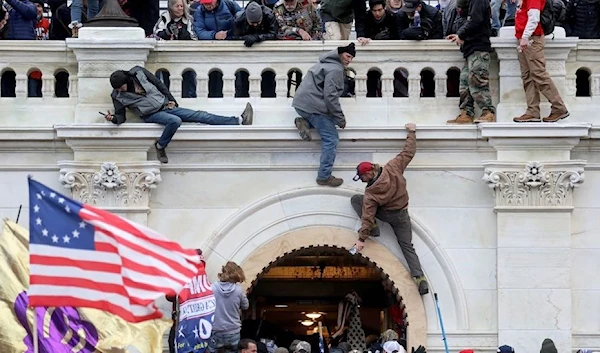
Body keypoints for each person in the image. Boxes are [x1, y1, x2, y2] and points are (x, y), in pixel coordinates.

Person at [105, 66, 253, 164]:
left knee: (200, 115)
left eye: (121, 87)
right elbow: (121, 117)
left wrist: (172, 100)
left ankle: (238, 120)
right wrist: (113, 119)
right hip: (151, 115)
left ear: (126, 81)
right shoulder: (118, 95)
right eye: (117, 89)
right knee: (174, 121)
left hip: (166, 106)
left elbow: (158, 84)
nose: (120, 90)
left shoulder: (139, 72)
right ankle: (161, 146)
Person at [350, 123, 429, 296]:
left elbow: (367, 216)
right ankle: (419, 277)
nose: (362, 180)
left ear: (369, 173)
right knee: (407, 246)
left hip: (386, 214)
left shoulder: (370, 193)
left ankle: (374, 230)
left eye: (362, 177)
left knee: (356, 200)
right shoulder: (393, 167)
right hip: (402, 214)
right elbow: (408, 152)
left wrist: (362, 238)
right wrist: (411, 132)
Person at [292, 43, 355, 187]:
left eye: (351, 58)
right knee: (331, 138)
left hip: (302, 105)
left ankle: (305, 122)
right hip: (313, 106)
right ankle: (324, 176)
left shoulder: (325, 63)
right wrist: (340, 119)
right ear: (340, 54)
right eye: (347, 56)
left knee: (326, 121)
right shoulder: (335, 69)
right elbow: (330, 97)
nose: (349, 60)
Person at [512, 0, 569, 123]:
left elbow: (534, 17)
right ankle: (532, 111)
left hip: (532, 39)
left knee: (539, 74)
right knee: (528, 76)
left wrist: (525, 36)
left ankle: (558, 107)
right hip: (525, 38)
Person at [445, 0, 496, 124]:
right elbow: (469, 21)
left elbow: (475, 20)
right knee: (465, 81)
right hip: (470, 48)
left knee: (477, 80)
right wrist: (459, 35)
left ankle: (488, 112)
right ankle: (466, 113)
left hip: (478, 47)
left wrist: (461, 35)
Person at [209, 262, 249, 353]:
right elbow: (245, 306)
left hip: (216, 329)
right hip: (233, 330)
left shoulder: (212, 288)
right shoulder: (238, 290)